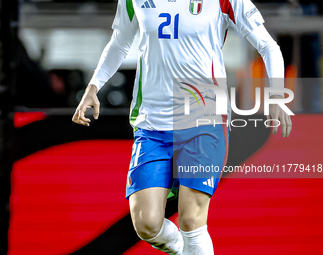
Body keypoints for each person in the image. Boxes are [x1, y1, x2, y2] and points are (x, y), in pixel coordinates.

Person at [72, 0, 292, 254]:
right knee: (146, 224)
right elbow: (119, 42)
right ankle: (181, 249)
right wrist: (93, 86)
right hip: (152, 124)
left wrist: (276, 95)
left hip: (204, 120)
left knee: (191, 220)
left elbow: (268, 46)